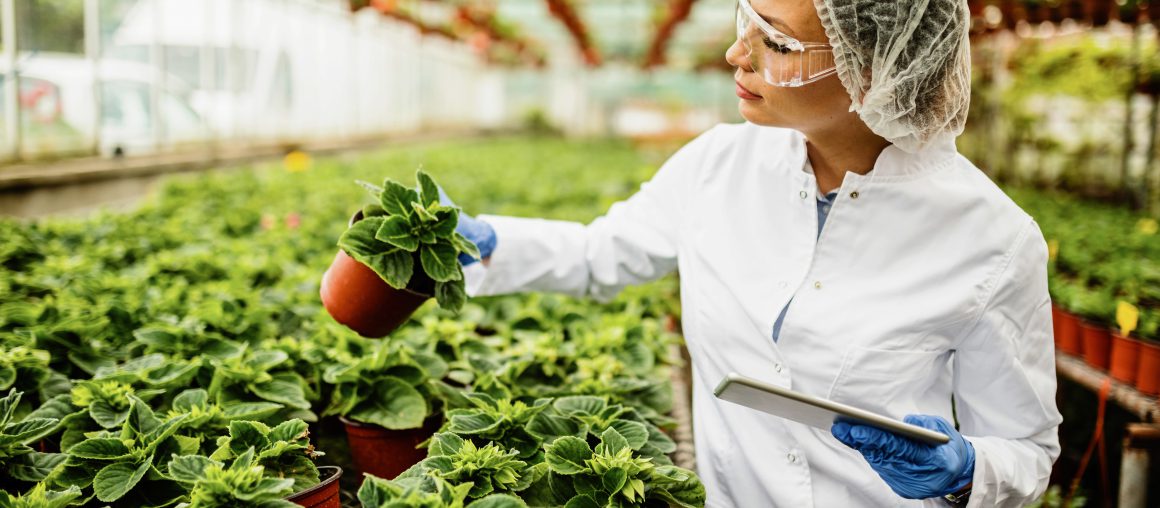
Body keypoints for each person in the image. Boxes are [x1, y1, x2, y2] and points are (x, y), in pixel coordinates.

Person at [447, 0, 1062, 505]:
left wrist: (966, 471)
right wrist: (488, 243)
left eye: (779, 44)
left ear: (872, 71)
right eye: (748, 22)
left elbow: (1026, 448)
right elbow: (601, 254)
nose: (737, 54)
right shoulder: (719, 163)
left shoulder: (992, 239)